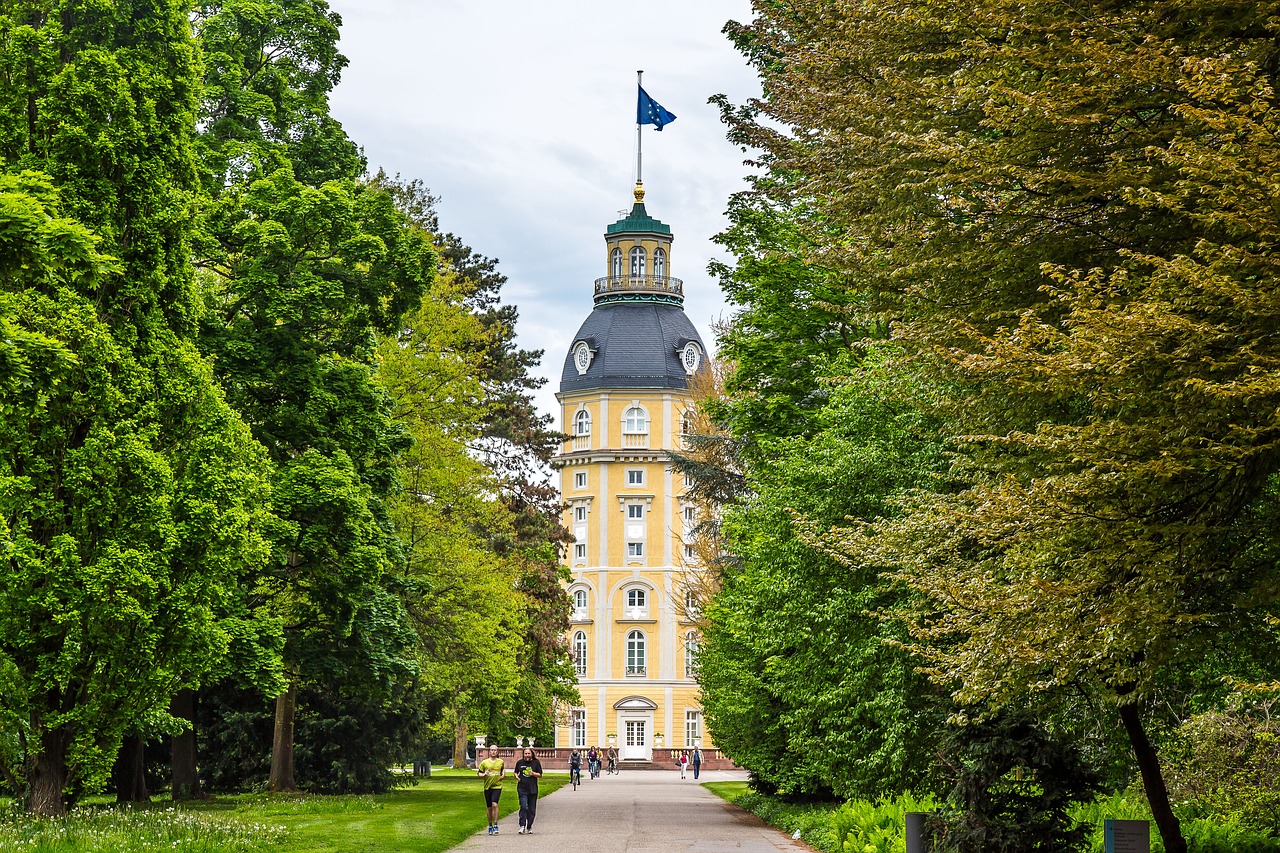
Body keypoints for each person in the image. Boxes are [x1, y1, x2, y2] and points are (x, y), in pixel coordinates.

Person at [513, 747, 543, 834]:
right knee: (523, 806)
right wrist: (516, 776)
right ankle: (522, 826)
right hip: (522, 788)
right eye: (525, 754)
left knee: (531, 810)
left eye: (528, 753)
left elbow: (540, 775)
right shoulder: (520, 763)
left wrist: (533, 773)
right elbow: (515, 772)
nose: (527, 755)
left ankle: (529, 826)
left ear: (531, 754)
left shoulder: (536, 762)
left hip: (532, 789)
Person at [477, 746, 505, 835]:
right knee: (489, 807)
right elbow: (479, 773)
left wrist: (503, 775)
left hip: (497, 786)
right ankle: (490, 825)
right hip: (487, 787)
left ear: (497, 752)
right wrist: (484, 774)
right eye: (492, 750)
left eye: (495, 750)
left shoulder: (500, 762)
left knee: (495, 804)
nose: (493, 752)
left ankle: (496, 824)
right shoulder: (484, 762)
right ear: (489, 751)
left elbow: (502, 770)